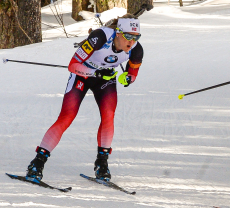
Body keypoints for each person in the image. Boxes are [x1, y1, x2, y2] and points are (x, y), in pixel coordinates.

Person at [25, 14, 144, 182]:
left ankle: (102, 164)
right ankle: (37, 163)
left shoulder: (136, 50)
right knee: (67, 116)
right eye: (128, 36)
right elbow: (72, 65)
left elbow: (133, 73)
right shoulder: (100, 37)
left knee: (108, 116)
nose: (131, 42)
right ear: (118, 32)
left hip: (106, 80)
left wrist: (128, 78)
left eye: (136, 37)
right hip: (82, 75)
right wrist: (94, 72)